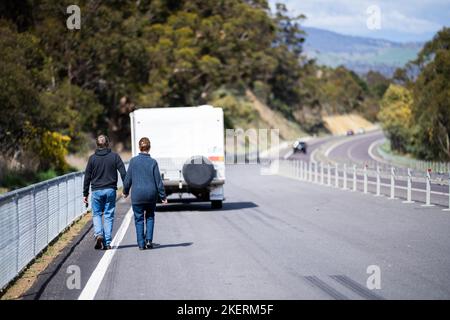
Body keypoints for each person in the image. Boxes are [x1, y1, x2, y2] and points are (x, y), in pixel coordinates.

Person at [123, 137, 168, 250]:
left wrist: (125, 191)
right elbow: (158, 181)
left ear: (139, 147)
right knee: (150, 216)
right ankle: (149, 241)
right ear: (149, 148)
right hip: (151, 195)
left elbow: (128, 179)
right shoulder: (153, 162)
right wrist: (163, 197)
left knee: (138, 219)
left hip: (137, 195)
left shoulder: (133, 161)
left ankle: (141, 244)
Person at [83, 135, 127, 250]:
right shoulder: (115, 156)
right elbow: (123, 173)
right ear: (108, 144)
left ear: (97, 145)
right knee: (108, 215)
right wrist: (126, 189)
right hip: (110, 190)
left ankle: (98, 234)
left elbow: (87, 177)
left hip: (96, 190)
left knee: (96, 214)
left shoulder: (92, 159)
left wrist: (85, 194)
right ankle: (107, 242)